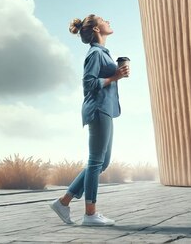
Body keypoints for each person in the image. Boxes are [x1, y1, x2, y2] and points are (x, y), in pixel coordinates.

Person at [49, 15, 130, 226]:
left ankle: (63, 202)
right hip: (98, 109)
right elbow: (89, 83)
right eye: (104, 20)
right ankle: (90, 214)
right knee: (96, 162)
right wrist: (115, 77)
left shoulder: (103, 53)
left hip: (106, 109)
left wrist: (118, 73)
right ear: (96, 29)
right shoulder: (95, 54)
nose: (109, 21)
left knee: (102, 162)